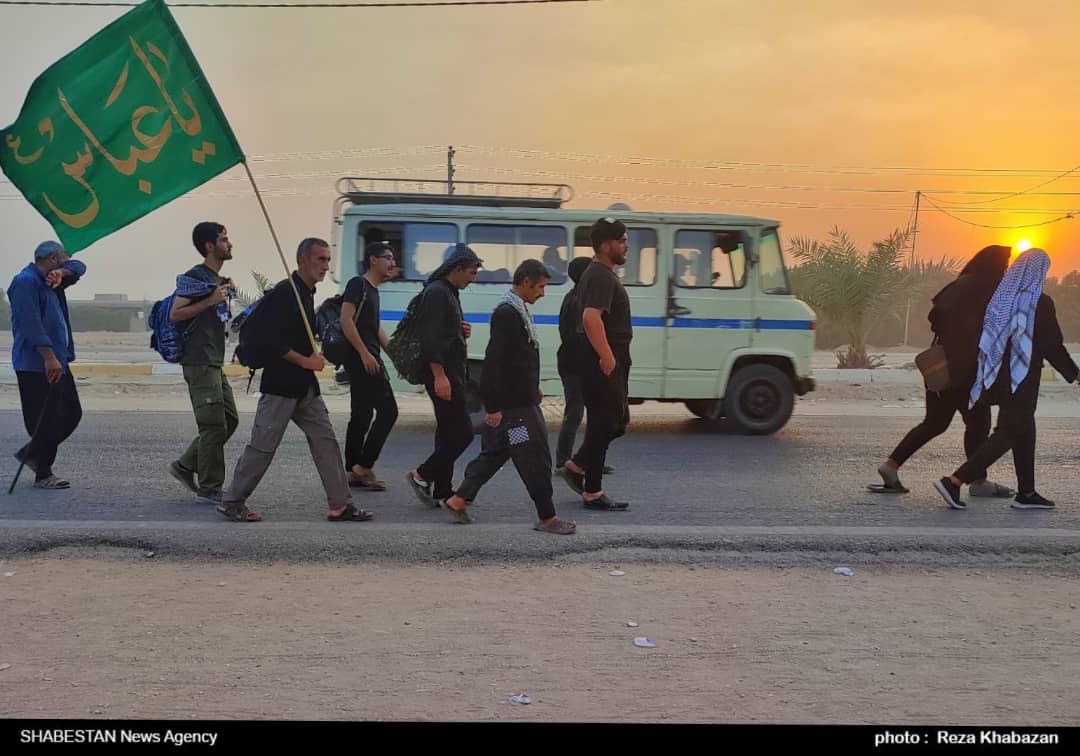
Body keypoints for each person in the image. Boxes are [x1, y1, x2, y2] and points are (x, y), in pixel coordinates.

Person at [217, 238, 373, 523]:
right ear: (302, 260)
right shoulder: (286, 293)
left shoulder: (306, 293)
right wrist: (307, 361)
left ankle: (340, 504)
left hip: (304, 388)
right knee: (263, 446)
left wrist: (315, 354)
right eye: (320, 260)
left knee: (326, 441)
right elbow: (270, 341)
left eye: (328, 260)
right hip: (281, 385)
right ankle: (233, 501)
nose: (325, 266)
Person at [934, 248, 1080, 511]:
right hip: (1021, 377)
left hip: (996, 375)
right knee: (1009, 432)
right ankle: (954, 481)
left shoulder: (1001, 298)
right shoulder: (1039, 303)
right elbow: (1051, 345)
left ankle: (1027, 492)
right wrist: (1075, 374)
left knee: (1024, 430)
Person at [443, 260, 576, 535]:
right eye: (540, 287)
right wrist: (492, 407)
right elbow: (494, 363)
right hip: (517, 410)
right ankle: (547, 517)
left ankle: (458, 499)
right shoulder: (507, 313)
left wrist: (532, 385)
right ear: (525, 282)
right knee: (535, 458)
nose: (542, 293)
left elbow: (518, 358)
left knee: (499, 451)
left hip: (520, 402)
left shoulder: (518, 310)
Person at [870, 245, 1013, 496]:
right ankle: (978, 482)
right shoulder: (987, 289)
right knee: (978, 424)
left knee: (934, 423)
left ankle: (891, 466)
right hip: (967, 372)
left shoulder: (959, 285)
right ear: (994, 266)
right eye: (1004, 265)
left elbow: (933, 317)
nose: (1006, 270)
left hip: (942, 368)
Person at [557, 218, 632, 511]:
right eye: (622, 239)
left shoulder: (601, 273)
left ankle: (577, 468)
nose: (626, 245)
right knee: (606, 422)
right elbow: (591, 317)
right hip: (602, 360)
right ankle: (592, 490)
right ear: (605, 245)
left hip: (607, 358)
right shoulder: (600, 274)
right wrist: (607, 356)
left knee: (613, 422)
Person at [167, 222, 239, 504]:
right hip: (199, 361)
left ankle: (185, 465)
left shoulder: (214, 278)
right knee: (212, 426)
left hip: (213, 361)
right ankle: (210, 486)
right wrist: (211, 299)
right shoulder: (194, 277)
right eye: (224, 239)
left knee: (229, 420)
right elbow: (176, 313)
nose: (229, 244)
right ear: (210, 246)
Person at [405, 243, 482, 506]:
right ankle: (422, 474)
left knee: (448, 432)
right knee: (463, 434)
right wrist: (439, 376)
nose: (473, 280)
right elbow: (430, 338)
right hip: (444, 375)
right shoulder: (438, 292)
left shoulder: (448, 291)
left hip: (452, 373)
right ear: (457, 269)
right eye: (471, 273)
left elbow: (444, 331)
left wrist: (461, 331)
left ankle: (441, 489)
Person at [8, 240, 85, 489]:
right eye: (61, 259)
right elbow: (31, 324)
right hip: (36, 363)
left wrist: (62, 272)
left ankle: (33, 452)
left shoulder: (53, 279)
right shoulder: (25, 282)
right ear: (52, 258)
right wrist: (48, 357)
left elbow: (80, 267)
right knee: (44, 419)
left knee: (72, 412)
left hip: (59, 360)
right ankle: (44, 473)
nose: (65, 263)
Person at [341, 241, 400, 491]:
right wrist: (364, 353)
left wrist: (395, 356)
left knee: (362, 415)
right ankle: (364, 466)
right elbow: (346, 320)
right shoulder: (358, 284)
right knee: (389, 411)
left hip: (369, 357)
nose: (392, 263)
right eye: (387, 257)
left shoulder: (373, 290)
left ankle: (352, 470)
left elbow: (374, 328)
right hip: (362, 360)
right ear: (373, 260)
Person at [555, 256, 613, 475]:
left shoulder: (579, 297)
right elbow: (576, 337)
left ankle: (588, 458)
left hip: (577, 363)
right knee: (575, 413)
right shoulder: (577, 300)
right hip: (575, 365)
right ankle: (563, 461)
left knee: (594, 412)